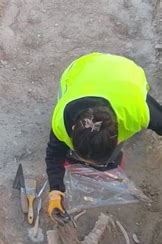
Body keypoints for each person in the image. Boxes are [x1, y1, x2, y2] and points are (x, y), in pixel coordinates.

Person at [46, 52, 162, 224]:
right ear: (72, 129)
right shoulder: (61, 122)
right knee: (65, 152)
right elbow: (54, 155)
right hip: (81, 68)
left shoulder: (136, 108)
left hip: (125, 71)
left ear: (117, 138)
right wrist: (55, 192)